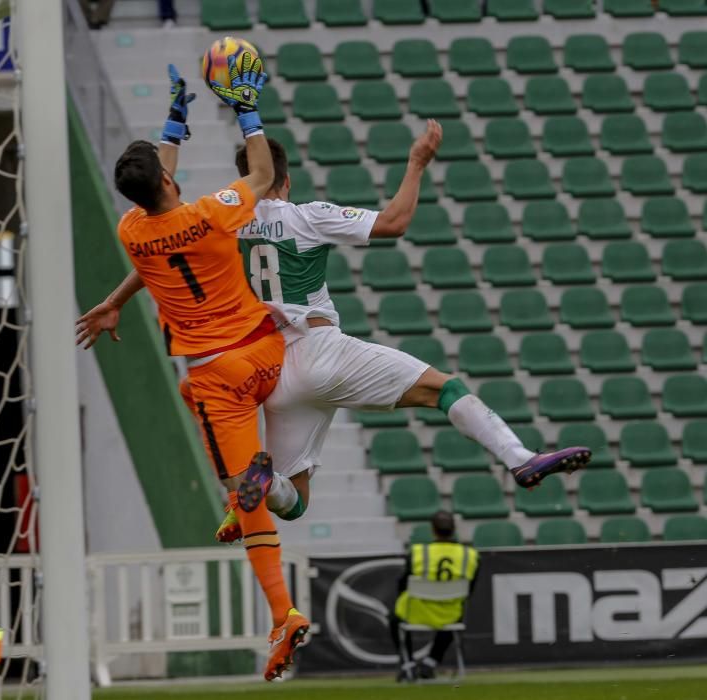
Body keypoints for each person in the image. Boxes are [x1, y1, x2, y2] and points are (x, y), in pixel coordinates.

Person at [90, 126, 592, 542]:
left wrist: (113, 302)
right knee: (445, 389)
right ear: (283, 182)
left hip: (269, 373)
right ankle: (520, 458)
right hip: (320, 349)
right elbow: (395, 222)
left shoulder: (217, 221)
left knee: (296, 501)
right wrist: (417, 162)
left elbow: (157, 257)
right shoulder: (308, 216)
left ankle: (268, 487)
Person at [75, 57, 309, 681]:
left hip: (218, 377)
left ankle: (283, 612)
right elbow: (262, 171)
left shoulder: (131, 230)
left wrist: (174, 125)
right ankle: (245, 490)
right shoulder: (213, 212)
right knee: (228, 457)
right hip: (267, 352)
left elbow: (158, 192)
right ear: (168, 183)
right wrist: (242, 102)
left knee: (238, 482)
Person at [390, 511, 478, 682]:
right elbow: (469, 590)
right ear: (454, 529)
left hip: (416, 612)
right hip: (450, 614)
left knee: (394, 617)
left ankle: (407, 665)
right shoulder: (470, 555)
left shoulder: (418, 552)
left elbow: (402, 584)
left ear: (432, 530)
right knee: (456, 616)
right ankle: (431, 662)